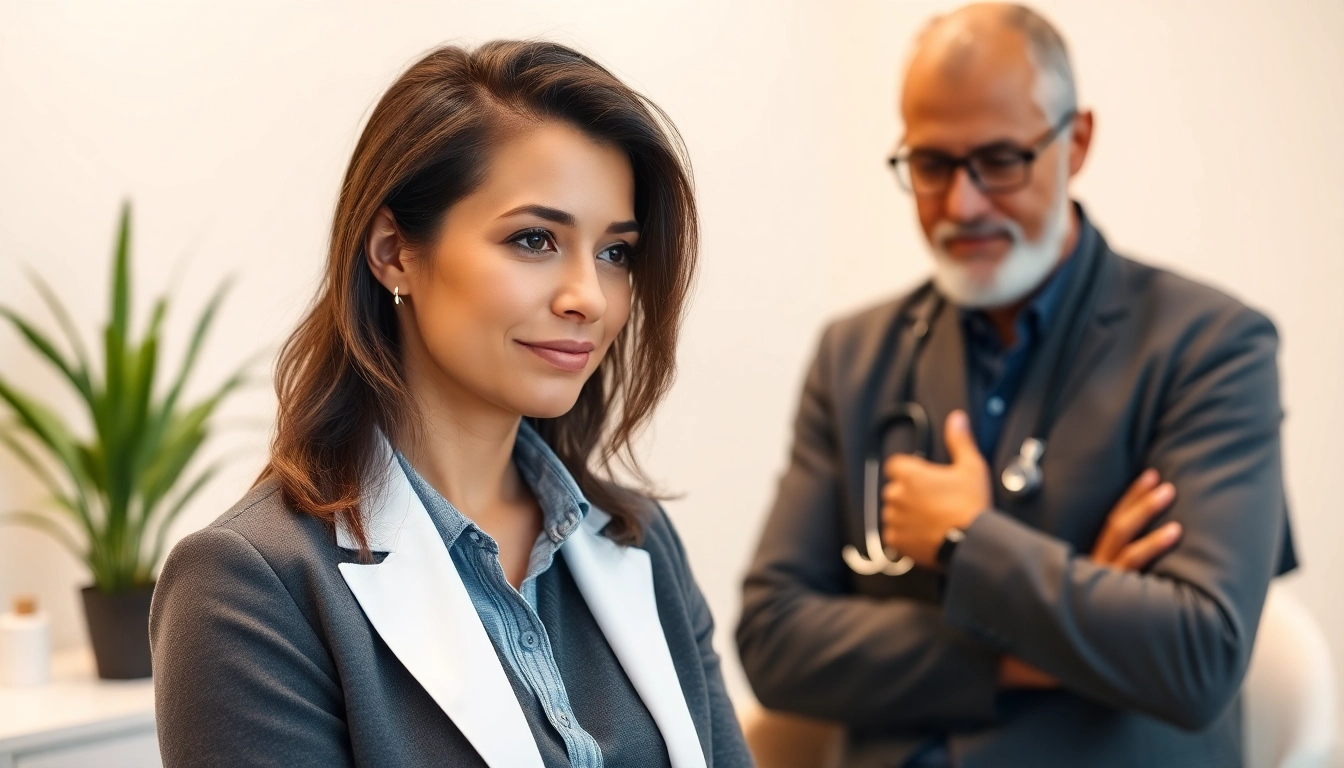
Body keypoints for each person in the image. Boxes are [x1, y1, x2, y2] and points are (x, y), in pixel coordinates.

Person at [150, 40, 750, 768]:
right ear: (393, 252)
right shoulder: (247, 588)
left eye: (614, 252)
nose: (589, 298)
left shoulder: (639, 539)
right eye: (535, 239)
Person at [735, 4, 1298, 767]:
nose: (962, 204)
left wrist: (967, 539)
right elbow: (773, 640)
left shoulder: (1209, 347)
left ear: (1077, 142)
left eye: (1000, 160)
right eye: (932, 165)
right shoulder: (854, 355)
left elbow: (1197, 656)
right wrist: (1048, 640)